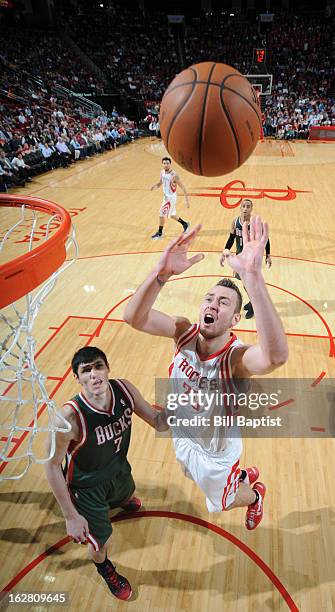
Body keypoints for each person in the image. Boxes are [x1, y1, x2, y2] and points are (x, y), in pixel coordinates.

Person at [123, 218, 288, 530]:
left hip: (216, 452)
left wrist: (253, 279)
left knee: (221, 503)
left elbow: (275, 356)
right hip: (185, 434)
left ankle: (254, 495)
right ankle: (240, 478)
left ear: (236, 318)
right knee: (187, 472)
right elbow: (133, 317)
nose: (213, 304)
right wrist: (162, 273)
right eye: (209, 299)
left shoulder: (236, 359)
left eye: (223, 302)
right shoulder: (183, 332)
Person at [44, 346, 168, 601]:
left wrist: (183, 411)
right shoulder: (68, 417)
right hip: (87, 487)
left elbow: (158, 422)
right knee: (100, 541)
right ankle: (105, 569)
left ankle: (120, 499)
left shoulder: (124, 389)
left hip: (118, 468)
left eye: (98, 366)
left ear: (108, 368)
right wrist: (70, 516)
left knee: (128, 493)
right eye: (85, 370)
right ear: (77, 379)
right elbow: (51, 465)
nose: (94, 374)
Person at [220, 199, 271, 319]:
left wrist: (268, 255)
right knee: (245, 284)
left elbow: (266, 240)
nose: (245, 209)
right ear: (240, 208)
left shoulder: (255, 224)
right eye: (243, 206)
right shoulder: (235, 222)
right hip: (240, 258)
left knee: (249, 284)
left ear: (251, 209)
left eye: (248, 206)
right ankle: (253, 302)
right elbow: (231, 238)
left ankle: (256, 305)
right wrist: (224, 251)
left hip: (251, 260)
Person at [150, 157, 190, 240]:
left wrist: (187, 201)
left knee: (161, 214)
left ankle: (160, 233)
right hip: (165, 197)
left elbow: (183, 188)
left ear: (170, 164)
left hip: (171, 199)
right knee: (172, 214)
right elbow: (160, 183)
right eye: (164, 163)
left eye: (167, 163)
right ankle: (185, 224)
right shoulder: (162, 172)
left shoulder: (174, 175)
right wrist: (155, 186)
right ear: (162, 164)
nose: (166, 165)